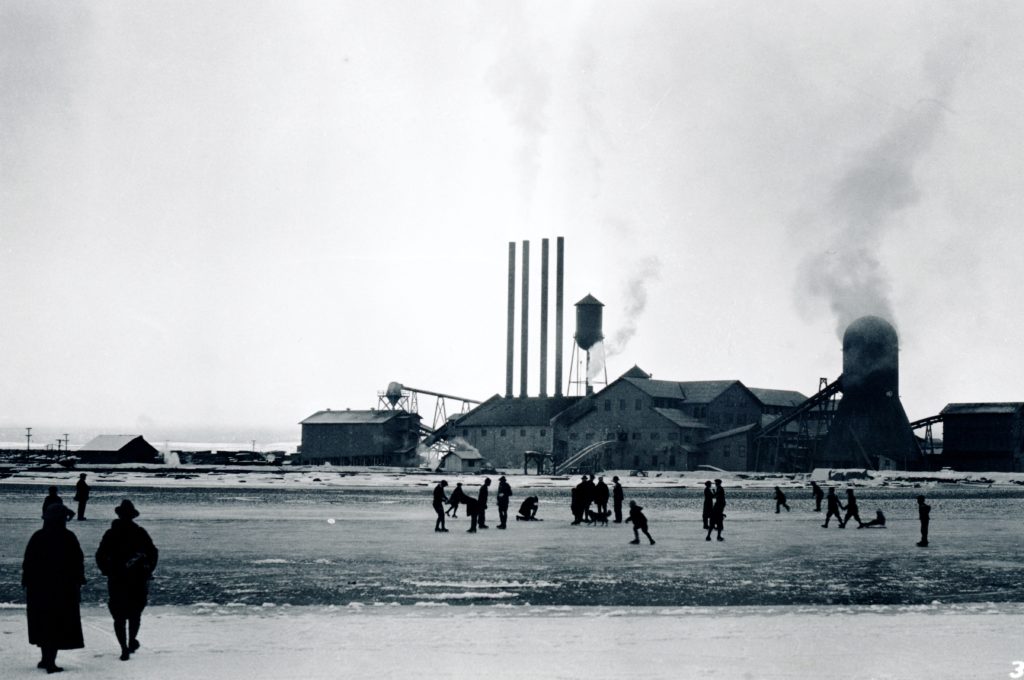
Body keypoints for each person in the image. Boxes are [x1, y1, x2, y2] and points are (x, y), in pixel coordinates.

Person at [22, 502, 86, 674]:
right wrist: (79, 580)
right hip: (62, 589)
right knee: (57, 624)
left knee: (43, 622)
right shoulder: (67, 537)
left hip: (39, 589)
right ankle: (50, 662)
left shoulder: (38, 536)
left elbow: (28, 562)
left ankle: (45, 659)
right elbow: (77, 561)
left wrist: (27, 581)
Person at [96, 500, 159, 661]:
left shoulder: (111, 533)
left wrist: (107, 571)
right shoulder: (140, 532)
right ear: (132, 516)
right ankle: (131, 642)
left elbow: (100, 555)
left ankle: (124, 648)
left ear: (119, 515)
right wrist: (148, 570)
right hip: (137, 579)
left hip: (117, 578)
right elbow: (153, 552)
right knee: (135, 614)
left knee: (119, 616)